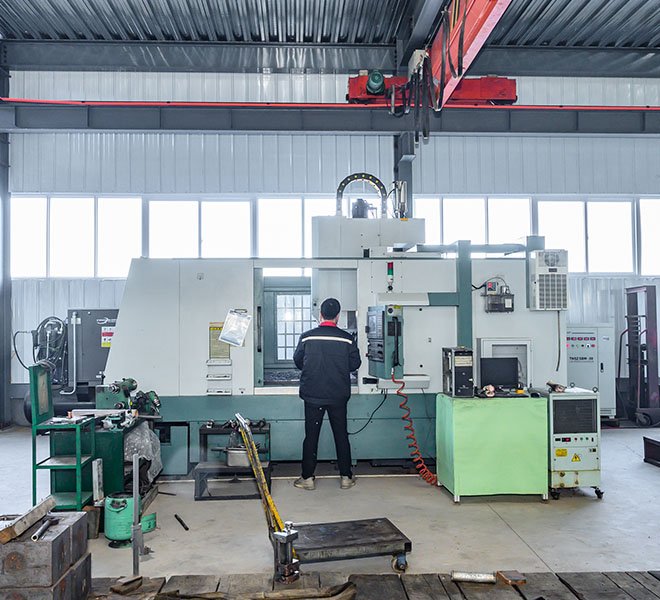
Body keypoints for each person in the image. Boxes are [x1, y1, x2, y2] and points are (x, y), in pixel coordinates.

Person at [292, 298, 362, 490]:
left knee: (311, 436)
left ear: (320, 314)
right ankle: (346, 477)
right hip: (338, 395)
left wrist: (313, 368)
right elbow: (355, 364)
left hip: (313, 394)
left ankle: (307, 478)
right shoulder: (347, 338)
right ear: (337, 316)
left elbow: (298, 361)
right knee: (341, 435)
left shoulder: (307, 337)